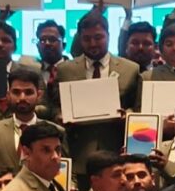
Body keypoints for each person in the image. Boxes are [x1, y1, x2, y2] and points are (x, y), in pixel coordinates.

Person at [56, 14, 142, 163]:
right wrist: (59, 116)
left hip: (117, 149)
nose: (93, 43)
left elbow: (138, 108)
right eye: (87, 39)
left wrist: (127, 115)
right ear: (80, 39)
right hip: (78, 150)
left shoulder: (130, 69)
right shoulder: (65, 70)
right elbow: (55, 105)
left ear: (108, 36)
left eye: (98, 37)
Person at [0, 68, 66, 188]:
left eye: (29, 92)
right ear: (8, 95)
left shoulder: (57, 131)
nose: (22, 98)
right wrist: (1, 181)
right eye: (16, 92)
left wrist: (70, 186)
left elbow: (67, 169)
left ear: (39, 95)